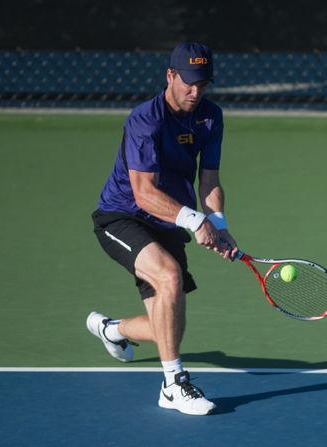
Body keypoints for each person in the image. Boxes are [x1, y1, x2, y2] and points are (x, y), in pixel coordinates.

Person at [86, 42, 238, 416]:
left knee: (166, 327)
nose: (195, 91)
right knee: (169, 277)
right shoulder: (145, 120)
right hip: (122, 216)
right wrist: (194, 220)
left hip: (169, 222)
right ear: (170, 76)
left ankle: (113, 330)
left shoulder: (210, 116)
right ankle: (173, 385)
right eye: (188, 82)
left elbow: (210, 179)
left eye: (203, 84)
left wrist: (218, 224)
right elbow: (143, 192)